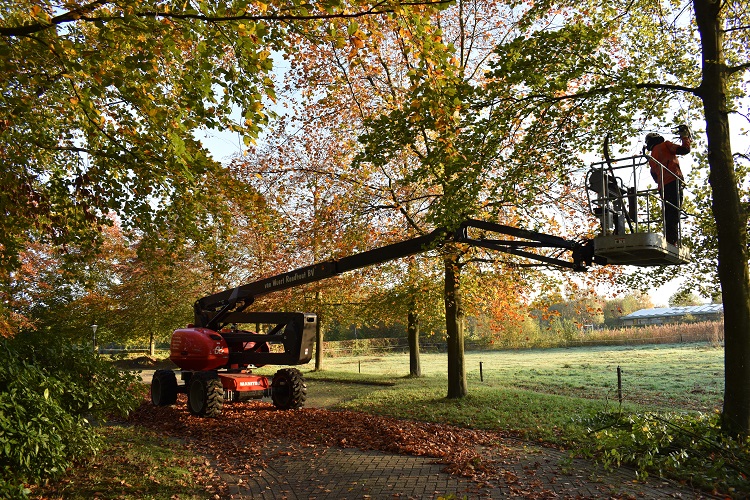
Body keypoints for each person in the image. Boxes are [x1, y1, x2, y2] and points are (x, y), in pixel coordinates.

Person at [644, 125, 691, 245]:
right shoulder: (666, 145)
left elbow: (654, 176)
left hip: (663, 187)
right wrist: (685, 137)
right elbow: (685, 150)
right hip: (673, 181)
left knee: (668, 213)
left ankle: (670, 240)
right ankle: (672, 241)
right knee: (674, 212)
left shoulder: (651, 158)